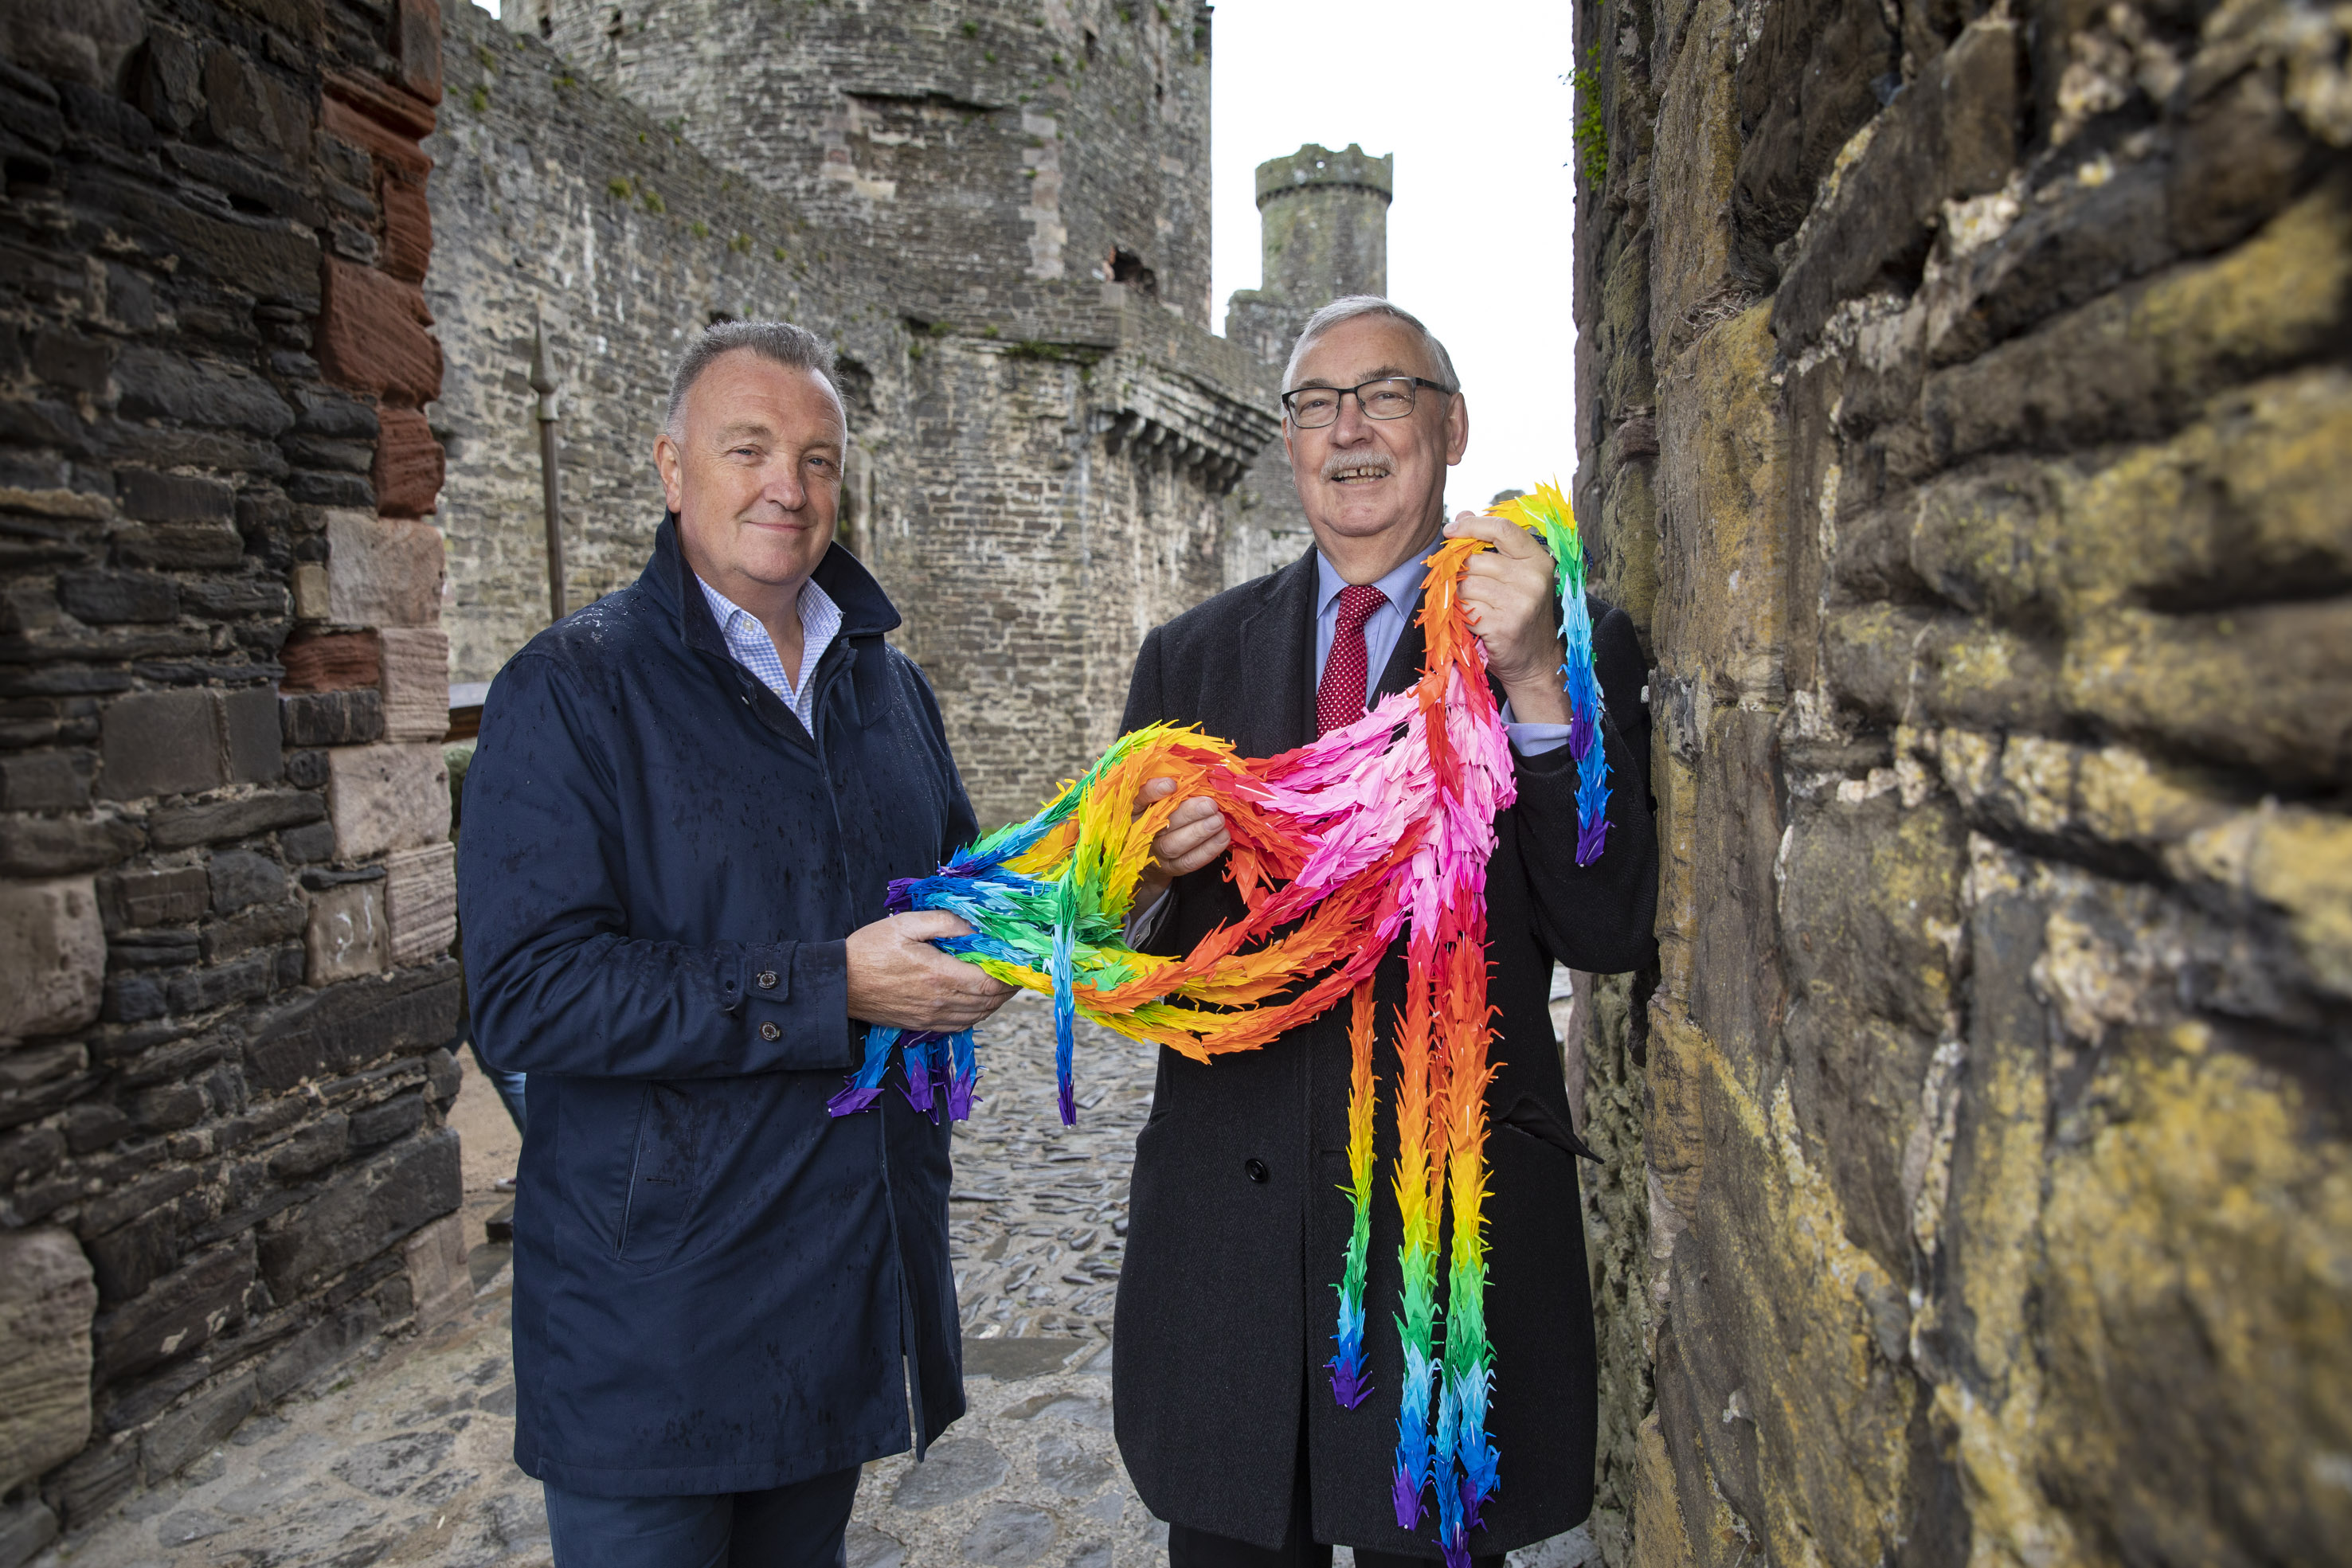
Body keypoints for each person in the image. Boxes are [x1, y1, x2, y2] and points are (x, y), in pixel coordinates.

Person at [1110, 296, 1659, 1566]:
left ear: (1450, 428)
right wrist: (1138, 865)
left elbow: (1605, 923)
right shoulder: (1188, 659)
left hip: (1444, 1279)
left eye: (1385, 394)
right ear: (1288, 441)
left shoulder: (1562, 642)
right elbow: (1124, 950)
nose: (1348, 429)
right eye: (1316, 403)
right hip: (1230, 1264)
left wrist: (1535, 683)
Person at [457, 320, 1014, 1568]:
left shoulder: (890, 690)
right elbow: (529, 993)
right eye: (748, 448)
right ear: (672, 468)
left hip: (835, 1297)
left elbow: (958, 899)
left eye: (817, 458)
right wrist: (834, 984)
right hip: (650, 1325)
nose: (788, 487)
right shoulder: (571, 687)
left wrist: (1100, 876)